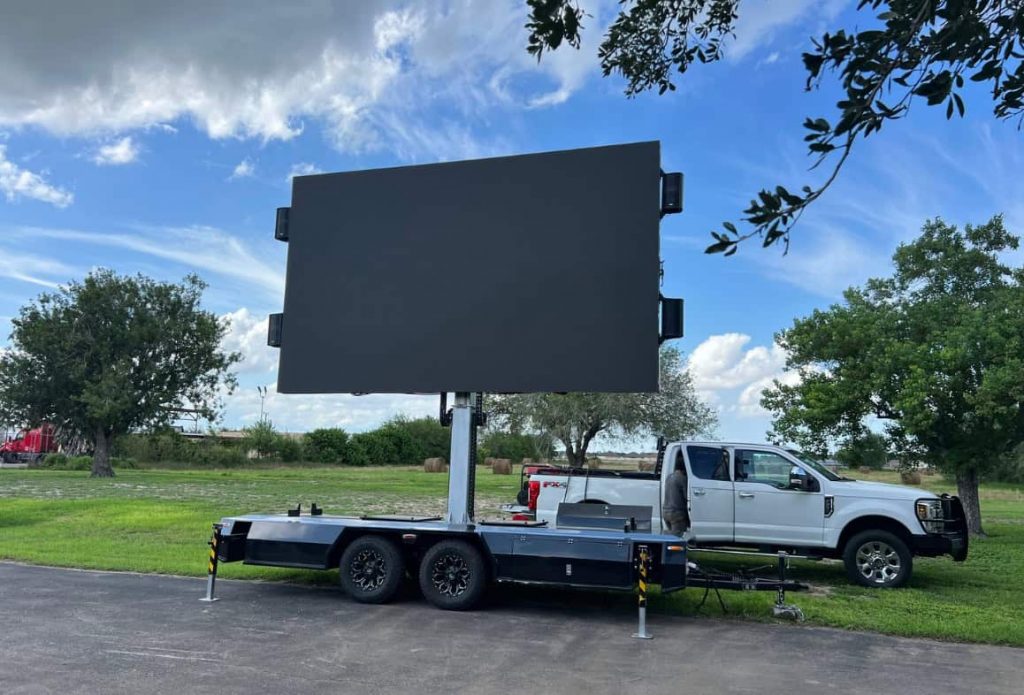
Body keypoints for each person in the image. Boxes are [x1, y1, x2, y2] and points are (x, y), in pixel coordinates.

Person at [663, 453, 689, 536]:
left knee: (670, 535)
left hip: (666, 511)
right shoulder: (682, 478)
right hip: (677, 513)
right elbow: (687, 496)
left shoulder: (669, 477)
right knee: (677, 537)